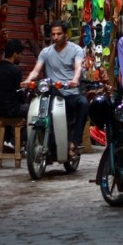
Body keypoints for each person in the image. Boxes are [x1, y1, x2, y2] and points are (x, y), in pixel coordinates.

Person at [23, 20, 88, 158]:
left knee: (83, 103)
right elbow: (36, 70)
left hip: (70, 93)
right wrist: (28, 80)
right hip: (53, 92)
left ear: (66, 34)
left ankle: (75, 142)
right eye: (53, 34)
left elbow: (78, 68)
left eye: (59, 34)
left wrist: (75, 80)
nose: (56, 37)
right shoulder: (46, 52)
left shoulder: (76, 50)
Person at [0, 39, 28, 149]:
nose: (22, 57)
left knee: (12, 107)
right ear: (15, 54)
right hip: (10, 110)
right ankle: (14, 141)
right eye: (21, 54)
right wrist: (25, 103)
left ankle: (7, 140)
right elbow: (19, 95)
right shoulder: (15, 70)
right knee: (36, 112)